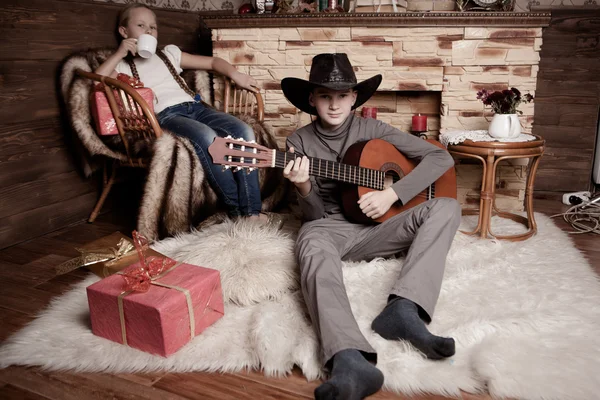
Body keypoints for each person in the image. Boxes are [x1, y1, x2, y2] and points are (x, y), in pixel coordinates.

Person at [281, 53, 461, 399]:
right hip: (332, 227)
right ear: (311, 99)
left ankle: (404, 310)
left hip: (381, 225)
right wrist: (303, 186)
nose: (334, 105)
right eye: (324, 96)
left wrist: (393, 193)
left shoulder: (373, 129)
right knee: (310, 243)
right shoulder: (298, 143)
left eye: (343, 96)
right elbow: (314, 216)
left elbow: (440, 157)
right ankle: (348, 357)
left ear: (354, 97)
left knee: (447, 208)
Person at [95, 3, 267, 222]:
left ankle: (252, 211)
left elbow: (213, 62)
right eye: (141, 25)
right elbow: (96, 81)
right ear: (123, 31)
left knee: (243, 130)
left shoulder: (169, 54)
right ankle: (235, 210)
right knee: (208, 138)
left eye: (153, 27)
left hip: (196, 107)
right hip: (166, 116)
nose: (149, 31)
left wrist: (235, 74)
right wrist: (120, 52)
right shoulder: (122, 65)